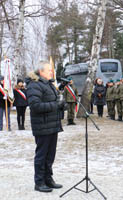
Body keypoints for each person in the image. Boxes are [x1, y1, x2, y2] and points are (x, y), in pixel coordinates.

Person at [26, 61, 65, 193]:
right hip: (42, 126)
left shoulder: (49, 84)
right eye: (49, 70)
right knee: (42, 155)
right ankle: (39, 182)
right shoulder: (34, 85)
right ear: (41, 71)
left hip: (53, 125)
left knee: (50, 155)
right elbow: (35, 106)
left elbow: (54, 101)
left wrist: (62, 104)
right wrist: (56, 105)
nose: (51, 72)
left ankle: (48, 179)